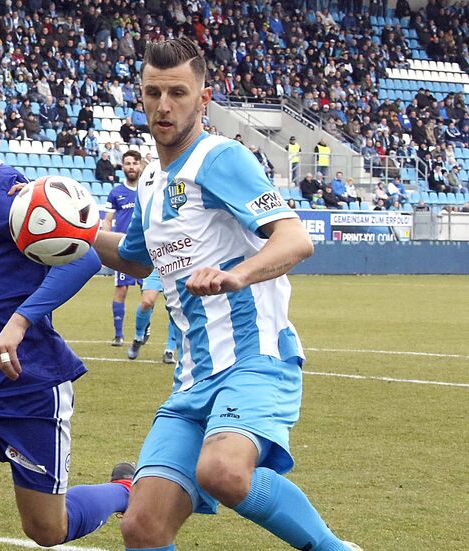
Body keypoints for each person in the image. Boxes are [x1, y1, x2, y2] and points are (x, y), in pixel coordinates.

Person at [90, 37, 362, 551]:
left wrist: (239, 274)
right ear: (140, 96)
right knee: (142, 526)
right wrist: (62, 232)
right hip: (193, 378)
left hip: (253, 360)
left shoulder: (220, 157)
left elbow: (295, 237)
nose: (164, 105)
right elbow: (134, 258)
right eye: (153, 92)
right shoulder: (150, 180)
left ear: (204, 98)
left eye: (178, 92)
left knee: (222, 471)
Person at [0, 86, 132, 551]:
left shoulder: (7, 193)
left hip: (28, 386)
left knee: (46, 530)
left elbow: (85, 257)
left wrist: (18, 323)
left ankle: (124, 492)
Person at [103, 149, 145, 347]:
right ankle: (118, 335)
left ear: (140, 166)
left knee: (148, 294)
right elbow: (108, 221)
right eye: (127, 163)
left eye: (134, 163)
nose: (131, 167)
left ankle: (143, 328)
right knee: (121, 290)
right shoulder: (116, 193)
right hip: (123, 249)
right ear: (123, 166)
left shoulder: (148, 190)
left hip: (146, 250)